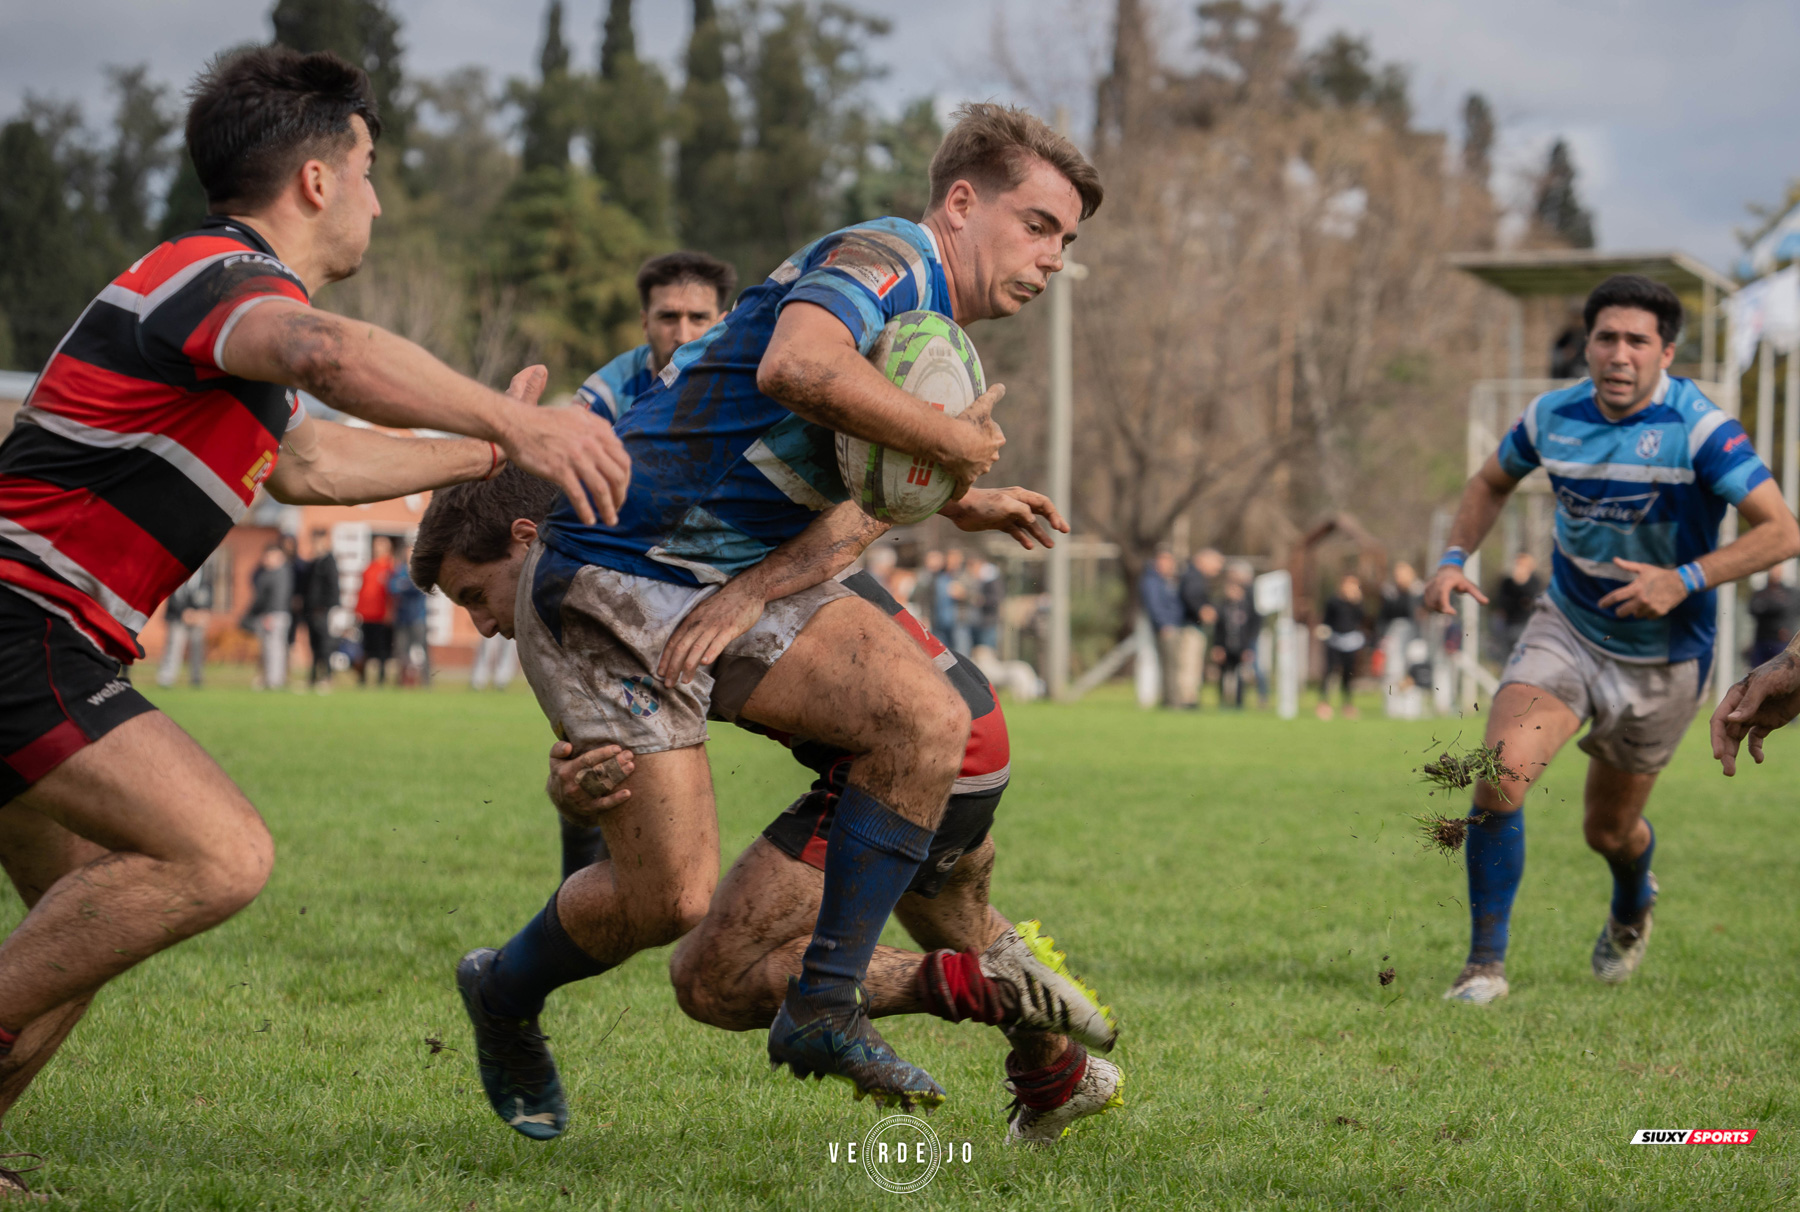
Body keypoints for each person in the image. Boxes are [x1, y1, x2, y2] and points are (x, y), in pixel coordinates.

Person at [0, 46, 629, 1191]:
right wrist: (512, 421)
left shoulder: (222, 323)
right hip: (18, 622)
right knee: (219, 855)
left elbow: (309, 464)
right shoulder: (218, 277)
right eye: (373, 168)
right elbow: (327, 355)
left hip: (43, 633)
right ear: (320, 180)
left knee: (79, 924)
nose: (381, 198)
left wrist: (492, 445)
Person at [434, 100, 1103, 1123]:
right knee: (672, 899)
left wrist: (957, 494)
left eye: (1066, 239)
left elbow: (824, 446)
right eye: (1039, 225)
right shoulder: (885, 257)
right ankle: (505, 990)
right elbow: (796, 368)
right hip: (618, 570)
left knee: (929, 723)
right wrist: (951, 443)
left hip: (730, 572)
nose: (1053, 256)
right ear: (962, 203)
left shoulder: (926, 316)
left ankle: (826, 1002)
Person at [415, 470, 1118, 1145]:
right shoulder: (667, 503)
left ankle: (985, 986)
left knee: (713, 978)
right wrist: (947, 490)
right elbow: (852, 476)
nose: (479, 625)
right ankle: (1055, 1078)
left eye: (473, 594)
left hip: (915, 756)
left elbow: (653, 869)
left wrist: (949, 482)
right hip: (971, 721)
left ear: (525, 535)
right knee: (949, 908)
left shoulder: (577, 584)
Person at [1425, 273, 1799, 1006]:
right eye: (1606, 338)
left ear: (1666, 352)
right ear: (1587, 345)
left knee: (1609, 830)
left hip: (1663, 656)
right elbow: (1489, 481)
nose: (1618, 354)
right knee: (1500, 777)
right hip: (1567, 625)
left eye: (1637, 341)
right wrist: (1450, 559)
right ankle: (1483, 967)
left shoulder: (1701, 429)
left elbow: (1782, 532)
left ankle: (1633, 896)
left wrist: (1682, 578)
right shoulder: (1551, 415)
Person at [575, 251, 737, 423]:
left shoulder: (746, 386)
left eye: (698, 318)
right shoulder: (607, 395)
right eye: (668, 317)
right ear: (645, 324)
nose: (683, 337)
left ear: (722, 326)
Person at [156, 564, 214, 689]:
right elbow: (172, 596)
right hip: (178, 617)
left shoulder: (206, 575)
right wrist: (183, 613)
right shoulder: (178, 572)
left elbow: (209, 595)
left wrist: (202, 612)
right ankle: (167, 677)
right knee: (174, 647)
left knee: (197, 648)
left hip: (197, 618)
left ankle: (196, 678)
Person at [1140, 550, 1185, 709]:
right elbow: (1154, 606)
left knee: (1173, 665)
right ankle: (1172, 701)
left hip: (1174, 625)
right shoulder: (1152, 581)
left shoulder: (1166, 580)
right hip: (1167, 627)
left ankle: (1171, 699)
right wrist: (1163, 624)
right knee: (1170, 666)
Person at [1317, 574, 1366, 718]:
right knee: (1330, 672)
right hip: (1335, 640)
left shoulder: (1358, 603)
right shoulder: (1334, 601)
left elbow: (1363, 619)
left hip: (1351, 642)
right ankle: (1324, 704)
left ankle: (1348, 705)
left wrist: (1356, 602)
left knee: (1348, 674)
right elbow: (1327, 619)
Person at [1179, 548, 1223, 709]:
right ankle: (1187, 700)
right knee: (1188, 663)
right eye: (1216, 564)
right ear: (1204, 561)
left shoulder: (1196, 577)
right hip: (1190, 628)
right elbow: (1191, 596)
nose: (1218, 569)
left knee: (1194, 663)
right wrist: (1202, 610)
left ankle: (1191, 697)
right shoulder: (1193, 577)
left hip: (1194, 628)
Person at [248, 544, 294, 690]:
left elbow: (278, 597)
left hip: (274, 615)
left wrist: (269, 615)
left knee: (275, 649)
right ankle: (269, 678)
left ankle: (275, 680)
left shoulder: (281, 573)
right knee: (267, 649)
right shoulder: (266, 573)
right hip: (268, 615)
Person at [1211, 577, 1260, 709]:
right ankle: (1223, 702)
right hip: (1225, 646)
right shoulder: (1221, 607)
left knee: (1241, 676)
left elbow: (1253, 630)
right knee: (1224, 675)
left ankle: (1239, 703)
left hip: (1241, 647)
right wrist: (1217, 646)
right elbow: (1217, 629)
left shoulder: (1249, 609)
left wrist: (1249, 648)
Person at [301, 530, 340, 691]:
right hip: (312, 610)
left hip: (323, 611)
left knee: (324, 645)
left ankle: (327, 677)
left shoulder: (329, 562)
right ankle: (313, 677)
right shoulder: (314, 563)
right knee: (314, 645)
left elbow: (333, 588)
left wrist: (325, 607)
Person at [356, 535, 396, 685]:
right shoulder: (369, 567)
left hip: (381, 615)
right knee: (366, 648)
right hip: (367, 615)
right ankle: (363, 679)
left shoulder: (390, 567)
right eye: (375, 545)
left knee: (382, 650)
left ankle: (381, 679)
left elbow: (392, 594)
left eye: (380, 545)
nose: (376, 548)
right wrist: (358, 610)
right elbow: (362, 591)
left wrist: (389, 611)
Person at [389, 545, 430, 686]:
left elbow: (417, 588)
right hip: (402, 618)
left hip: (418, 617)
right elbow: (392, 587)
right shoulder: (399, 571)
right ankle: (403, 681)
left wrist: (404, 586)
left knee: (422, 652)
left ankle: (426, 682)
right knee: (401, 652)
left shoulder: (420, 571)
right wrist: (405, 585)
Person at [1491, 551, 1544, 660]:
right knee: (1507, 660)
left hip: (1528, 628)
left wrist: (1521, 581)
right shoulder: (1507, 583)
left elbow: (1530, 600)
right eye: (1518, 563)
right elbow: (1502, 604)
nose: (1519, 566)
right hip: (1508, 627)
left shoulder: (1534, 582)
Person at [1745, 563, 1797, 670]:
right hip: (1762, 640)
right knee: (1757, 673)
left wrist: (1767, 605)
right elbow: (1753, 608)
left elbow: (1787, 608)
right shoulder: (1760, 592)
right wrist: (1775, 605)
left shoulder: (1790, 593)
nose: (1774, 573)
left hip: (1781, 642)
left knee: (1781, 674)